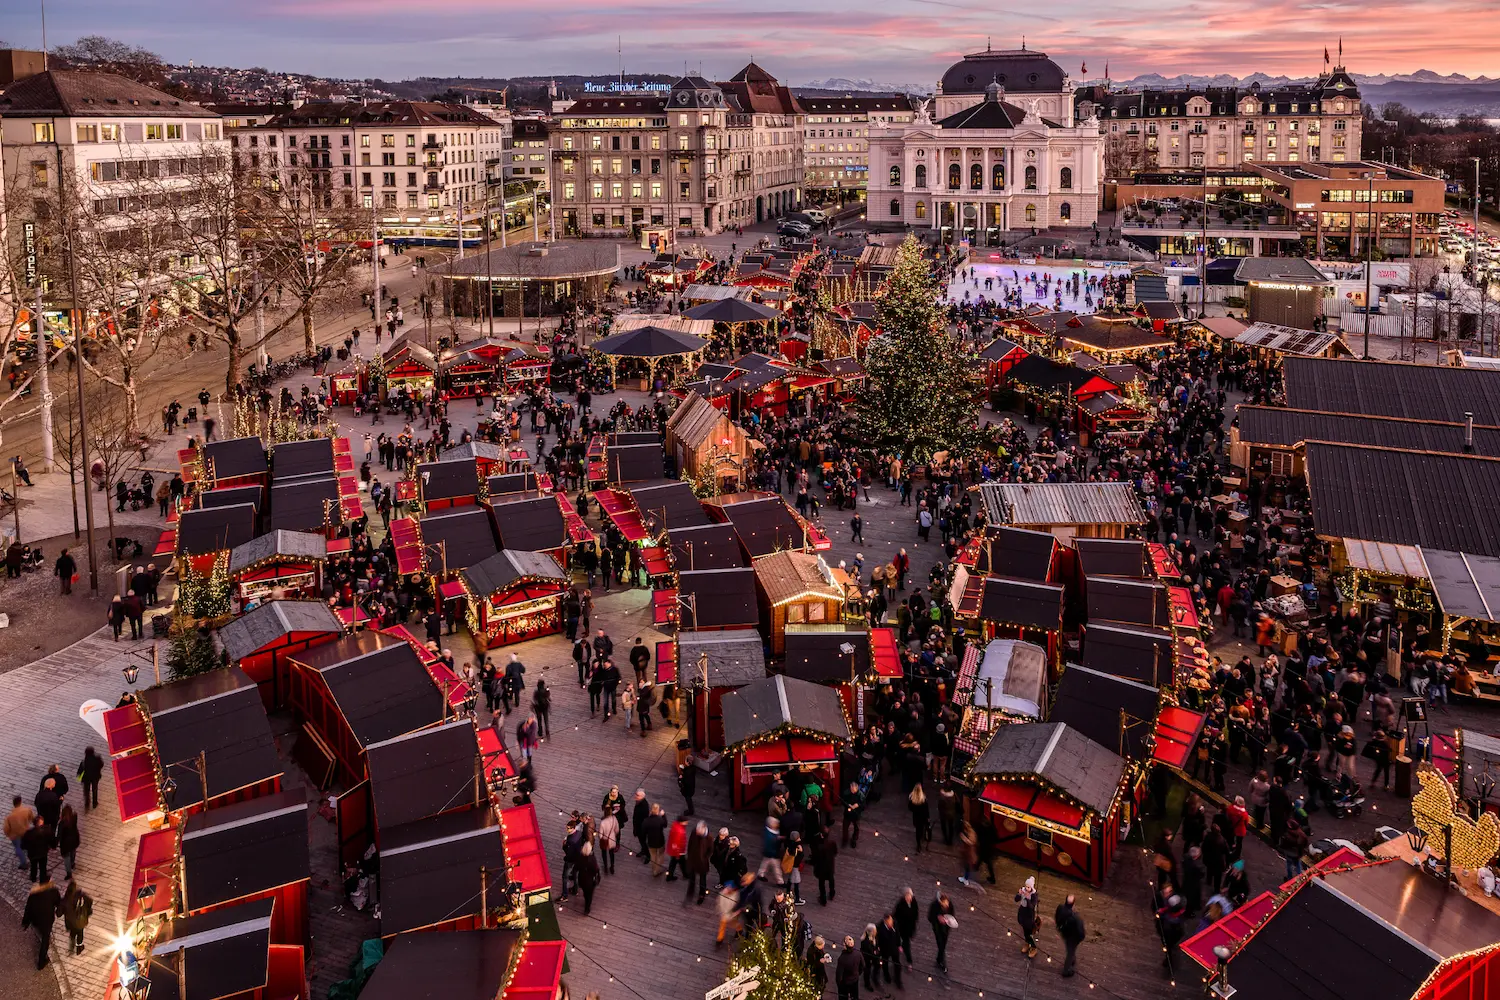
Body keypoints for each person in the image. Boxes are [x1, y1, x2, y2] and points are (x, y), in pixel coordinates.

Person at [22, 876, 63, 969]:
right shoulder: (53, 892)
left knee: (42, 933)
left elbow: (28, 908)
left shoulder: (34, 893)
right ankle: (41, 962)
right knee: (45, 939)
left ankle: (40, 935)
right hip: (47, 920)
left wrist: (25, 922)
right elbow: (58, 903)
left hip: (36, 920)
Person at [1055, 894, 1085, 978]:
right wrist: (1079, 939)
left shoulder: (1060, 908)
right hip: (1073, 938)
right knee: (1070, 952)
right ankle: (1066, 970)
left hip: (1065, 934)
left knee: (1069, 948)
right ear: (1073, 904)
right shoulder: (1076, 918)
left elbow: (1057, 918)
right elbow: (1081, 933)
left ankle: (1072, 958)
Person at [928, 891, 956, 972]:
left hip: (946, 928)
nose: (946, 905)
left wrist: (948, 920)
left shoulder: (950, 905)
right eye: (944, 903)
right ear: (940, 902)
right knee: (941, 945)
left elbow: (952, 915)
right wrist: (938, 918)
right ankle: (943, 963)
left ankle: (939, 959)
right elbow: (930, 917)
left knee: (943, 945)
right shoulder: (934, 906)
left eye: (947, 903)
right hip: (938, 929)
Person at [62, 879, 92, 955]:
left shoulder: (65, 900)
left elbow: (58, 913)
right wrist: (87, 910)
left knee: (72, 933)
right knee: (80, 932)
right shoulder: (80, 895)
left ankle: (71, 947)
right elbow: (90, 900)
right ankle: (79, 947)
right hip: (79, 919)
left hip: (70, 922)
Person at [6, 795, 35, 871]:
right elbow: (32, 818)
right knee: (26, 846)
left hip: (15, 835)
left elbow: (6, 828)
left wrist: (8, 834)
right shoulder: (27, 810)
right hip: (25, 832)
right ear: (20, 802)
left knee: (18, 848)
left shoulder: (10, 816)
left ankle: (23, 863)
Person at [875, 914, 903, 989]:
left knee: (897, 964)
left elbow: (898, 934)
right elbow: (880, 939)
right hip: (885, 950)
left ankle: (898, 980)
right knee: (885, 963)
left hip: (894, 949)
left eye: (892, 921)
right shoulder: (880, 928)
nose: (892, 923)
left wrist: (899, 944)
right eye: (890, 922)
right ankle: (886, 976)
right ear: (885, 922)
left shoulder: (894, 924)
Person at [893, 887, 919, 966]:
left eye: (910, 896)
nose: (909, 898)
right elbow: (895, 915)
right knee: (906, 944)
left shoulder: (914, 903)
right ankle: (909, 961)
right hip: (902, 928)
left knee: (905, 943)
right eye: (907, 896)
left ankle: (902, 949)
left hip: (910, 927)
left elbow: (916, 913)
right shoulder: (900, 905)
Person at [23, 815, 52, 883]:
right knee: (43, 867)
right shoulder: (46, 831)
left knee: (33, 866)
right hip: (43, 853)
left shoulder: (29, 833)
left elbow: (24, 845)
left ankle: (33, 878)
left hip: (33, 854)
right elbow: (50, 841)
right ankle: (42, 880)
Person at [1016, 876, 1040, 958]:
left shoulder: (1034, 895)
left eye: (1029, 887)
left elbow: (1032, 906)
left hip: (1029, 915)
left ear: (1031, 887)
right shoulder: (1023, 890)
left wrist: (1027, 898)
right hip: (1022, 913)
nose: (1027, 888)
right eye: (1026, 886)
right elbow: (1016, 899)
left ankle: (1033, 947)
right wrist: (1019, 894)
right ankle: (1027, 943)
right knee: (1025, 930)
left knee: (1028, 932)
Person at [812, 830, 838, 905]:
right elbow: (835, 853)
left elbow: (815, 857)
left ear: (822, 835)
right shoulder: (832, 843)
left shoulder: (819, 846)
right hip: (830, 866)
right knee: (831, 880)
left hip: (821, 868)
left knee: (821, 883)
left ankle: (823, 899)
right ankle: (832, 894)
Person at [836, 934, 864, 1000]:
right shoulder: (858, 953)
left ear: (844, 945)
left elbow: (839, 975)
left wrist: (839, 985)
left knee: (843, 997)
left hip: (845, 982)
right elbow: (863, 965)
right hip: (855, 979)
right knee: (855, 996)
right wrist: (857, 973)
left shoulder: (842, 959)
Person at [577, 841, 602, 916]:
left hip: (582, 879)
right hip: (590, 880)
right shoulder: (592, 859)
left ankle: (586, 902)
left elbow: (576, 867)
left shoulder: (580, 857)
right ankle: (587, 907)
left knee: (585, 892)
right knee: (590, 894)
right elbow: (595, 870)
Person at [56, 805, 80, 880]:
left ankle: (69, 873)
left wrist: (55, 843)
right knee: (73, 851)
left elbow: (59, 835)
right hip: (74, 839)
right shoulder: (74, 817)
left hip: (65, 843)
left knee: (66, 858)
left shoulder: (62, 823)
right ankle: (72, 863)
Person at [596, 809, 620, 876]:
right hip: (612, 839)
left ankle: (606, 867)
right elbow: (617, 830)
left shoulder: (603, 822)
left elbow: (600, 835)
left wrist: (601, 838)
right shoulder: (614, 819)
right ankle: (612, 867)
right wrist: (613, 834)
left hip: (605, 840)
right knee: (611, 853)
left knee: (604, 853)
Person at [908, 783, 930, 853]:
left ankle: (918, 844)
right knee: (922, 828)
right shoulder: (923, 799)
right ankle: (922, 837)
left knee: (917, 830)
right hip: (923, 817)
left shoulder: (912, 799)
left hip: (916, 817)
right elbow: (926, 810)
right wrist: (928, 817)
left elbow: (910, 808)